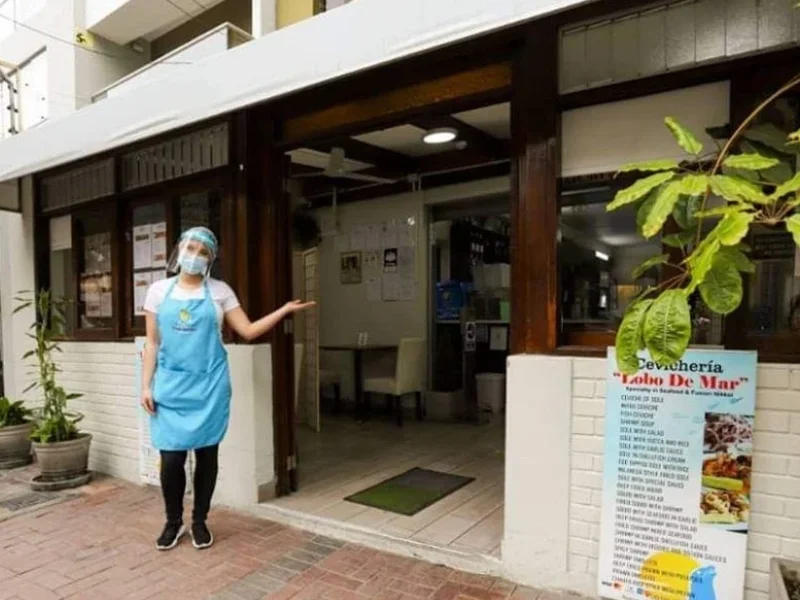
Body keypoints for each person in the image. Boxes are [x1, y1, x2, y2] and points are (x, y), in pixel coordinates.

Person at [140, 226, 313, 551]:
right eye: (191, 248)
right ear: (179, 250)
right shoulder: (158, 291)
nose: (195, 256)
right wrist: (145, 386)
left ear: (210, 259)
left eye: (203, 252)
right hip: (170, 387)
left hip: (210, 387)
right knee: (172, 459)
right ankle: (173, 522)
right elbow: (152, 343)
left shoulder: (220, 291)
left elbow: (247, 330)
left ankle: (200, 521)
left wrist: (284, 310)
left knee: (207, 456)